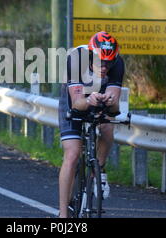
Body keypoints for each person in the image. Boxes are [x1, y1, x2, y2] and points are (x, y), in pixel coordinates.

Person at [58, 31, 125, 218]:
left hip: (99, 95)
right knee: (72, 155)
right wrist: (89, 101)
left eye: (108, 63)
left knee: (107, 127)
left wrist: (110, 100)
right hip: (74, 99)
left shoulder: (117, 63)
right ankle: (63, 215)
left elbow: (114, 107)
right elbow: (77, 102)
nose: (104, 67)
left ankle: (99, 170)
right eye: (100, 62)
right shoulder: (76, 60)